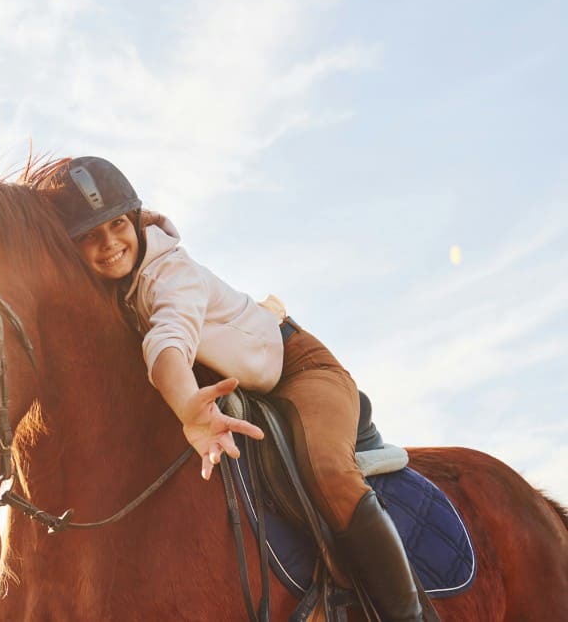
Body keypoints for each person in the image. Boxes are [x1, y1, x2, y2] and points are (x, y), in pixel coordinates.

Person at [33, 156, 424, 622]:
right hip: (237, 378)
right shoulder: (104, 289)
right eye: (90, 236)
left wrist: (186, 407)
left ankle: (407, 614)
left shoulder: (167, 274)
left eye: (117, 225)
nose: (111, 244)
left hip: (297, 368)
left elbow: (169, 341)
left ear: (135, 220)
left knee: (326, 469)